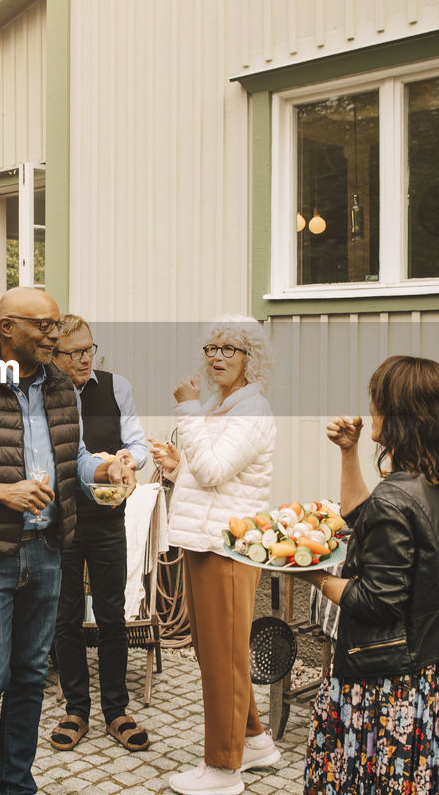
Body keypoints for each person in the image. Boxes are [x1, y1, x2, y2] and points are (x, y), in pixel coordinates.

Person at [0, 287, 135, 795]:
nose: (53, 335)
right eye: (43, 326)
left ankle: (16, 783)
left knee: (30, 676)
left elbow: (74, 456)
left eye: (56, 325)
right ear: (7, 328)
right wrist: (1, 493)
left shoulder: (61, 386)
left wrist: (103, 465)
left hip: (47, 551)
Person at [300, 355, 439, 795]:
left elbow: (377, 602)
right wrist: (348, 452)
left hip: (393, 686)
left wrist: (312, 574)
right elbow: (364, 518)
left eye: (378, 400)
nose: (371, 409)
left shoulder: (396, 498)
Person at [151, 315, 280, 795]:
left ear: (251, 357)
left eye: (230, 348)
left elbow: (213, 470)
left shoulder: (253, 409)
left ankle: (224, 770)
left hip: (227, 548)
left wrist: (186, 413)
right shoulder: (221, 405)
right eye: (211, 348)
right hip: (204, 541)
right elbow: (210, 475)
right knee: (216, 652)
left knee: (223, 655)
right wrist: (176, 465)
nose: (217, 357)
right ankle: (255, 741)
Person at [49, 314, 151, 753]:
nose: (85, 358)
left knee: (112, 616)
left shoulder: (117, 386)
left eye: (89, 349)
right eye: (74, 352)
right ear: (54, 355)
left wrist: (129, 458)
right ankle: (76, 709)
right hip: (62, 520)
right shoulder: (45, 393)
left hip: (109, 518)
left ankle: (116, 710)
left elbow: (140, 444)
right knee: (65, 617)